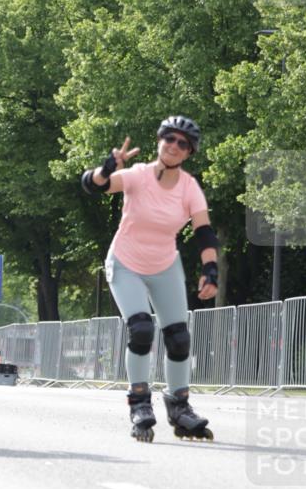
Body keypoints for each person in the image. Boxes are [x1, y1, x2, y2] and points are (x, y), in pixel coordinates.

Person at [81, 115, 218, 442]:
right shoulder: (138, 175)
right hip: (126, 262)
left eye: (182, 144)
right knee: (141, 329)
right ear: (159, 141)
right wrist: (106, 168)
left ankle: (179, 406)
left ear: (188, 153)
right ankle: (140, 402)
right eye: (169, 139)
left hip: (164, 265)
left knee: (179, 337)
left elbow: (204, 232)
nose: (173, 146)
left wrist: (210, 270)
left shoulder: (189, 187)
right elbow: (93, 185)